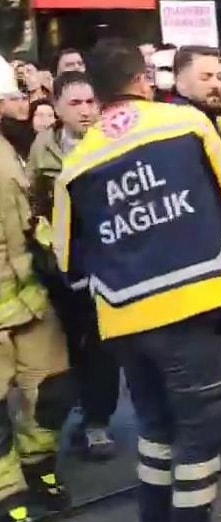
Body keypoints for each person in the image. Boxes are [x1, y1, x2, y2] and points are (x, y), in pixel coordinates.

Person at [50, 39, 221, 522]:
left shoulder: (75, 164)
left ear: (93, 94)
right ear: (144, 79)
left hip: (122, 317)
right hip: (192, 302)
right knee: (201, 431)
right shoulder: (184, 125)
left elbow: (69, 261)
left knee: (156, 430)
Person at [0, 57, 74, 522]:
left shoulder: (14, 146)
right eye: (13, 95)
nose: (25, 101)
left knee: (54, 388)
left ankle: (37, 464)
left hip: (30, 298)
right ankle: (7, 493)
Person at [27, 71, 117, 461]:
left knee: (104, 345)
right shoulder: (41, 150)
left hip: (105, 256)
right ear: (57, 107)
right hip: (61, 263)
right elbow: (32, 202)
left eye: (90, 102)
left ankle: (98, 421)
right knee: (67, 345)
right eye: (75, 103)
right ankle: (68, 415)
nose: (85, 111)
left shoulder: (112, 140)